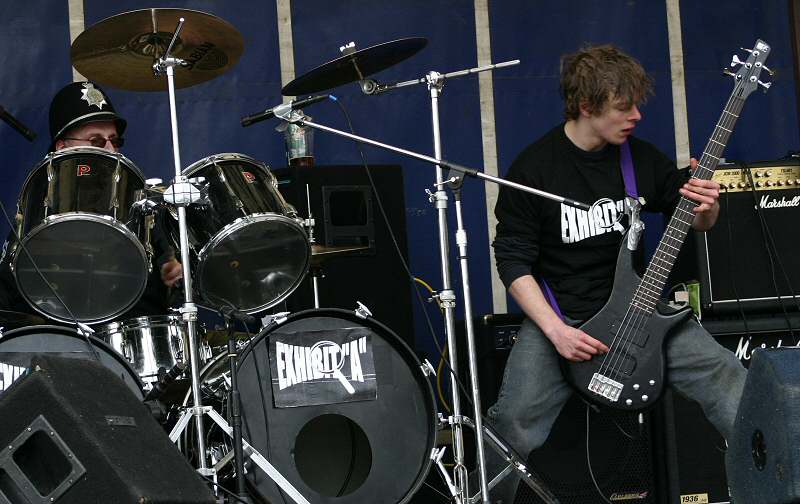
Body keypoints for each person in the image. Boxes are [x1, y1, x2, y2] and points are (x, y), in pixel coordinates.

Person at [485, 45, 746, 503]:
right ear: (587, 106)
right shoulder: (535, 168)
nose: (637, 116)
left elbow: (694, 217)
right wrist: (556, 332)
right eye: (624, 106)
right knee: (512, 424)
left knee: (731, 381)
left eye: (637, 104)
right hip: (562, 318)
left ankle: (776, 485)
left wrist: (708, 206)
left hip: (640, 315)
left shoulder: (639, 159)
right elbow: (512, 261)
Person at [0, 81, 182, 320]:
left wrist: (175, 266)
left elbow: (174, 277)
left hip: (131, 336)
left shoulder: (144, 206)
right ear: (62, 148)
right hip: (53, 336)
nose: (111, 149)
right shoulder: (36, 212)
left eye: (114, 141)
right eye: (96, 141)